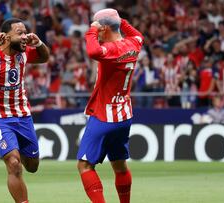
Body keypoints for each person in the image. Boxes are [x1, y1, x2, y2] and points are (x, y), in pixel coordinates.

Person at [0, 18, 49, 203]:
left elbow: (44, 58)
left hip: (23, 116)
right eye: (20, 33)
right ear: (5, 36)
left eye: (25, 32)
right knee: (14, 164)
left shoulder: (25, 51)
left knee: (32, 166)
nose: (25, 36)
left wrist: (39, 43)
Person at [77, 9, 143, 203]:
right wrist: (118, 20)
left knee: (85, 165)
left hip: (105, 115)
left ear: (104, 28)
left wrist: (91, 31)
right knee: (119, 165)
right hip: (124, 114)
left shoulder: (112, 50)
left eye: (97, 26)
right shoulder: (134, 43)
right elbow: (138, 34)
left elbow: (92, 51)